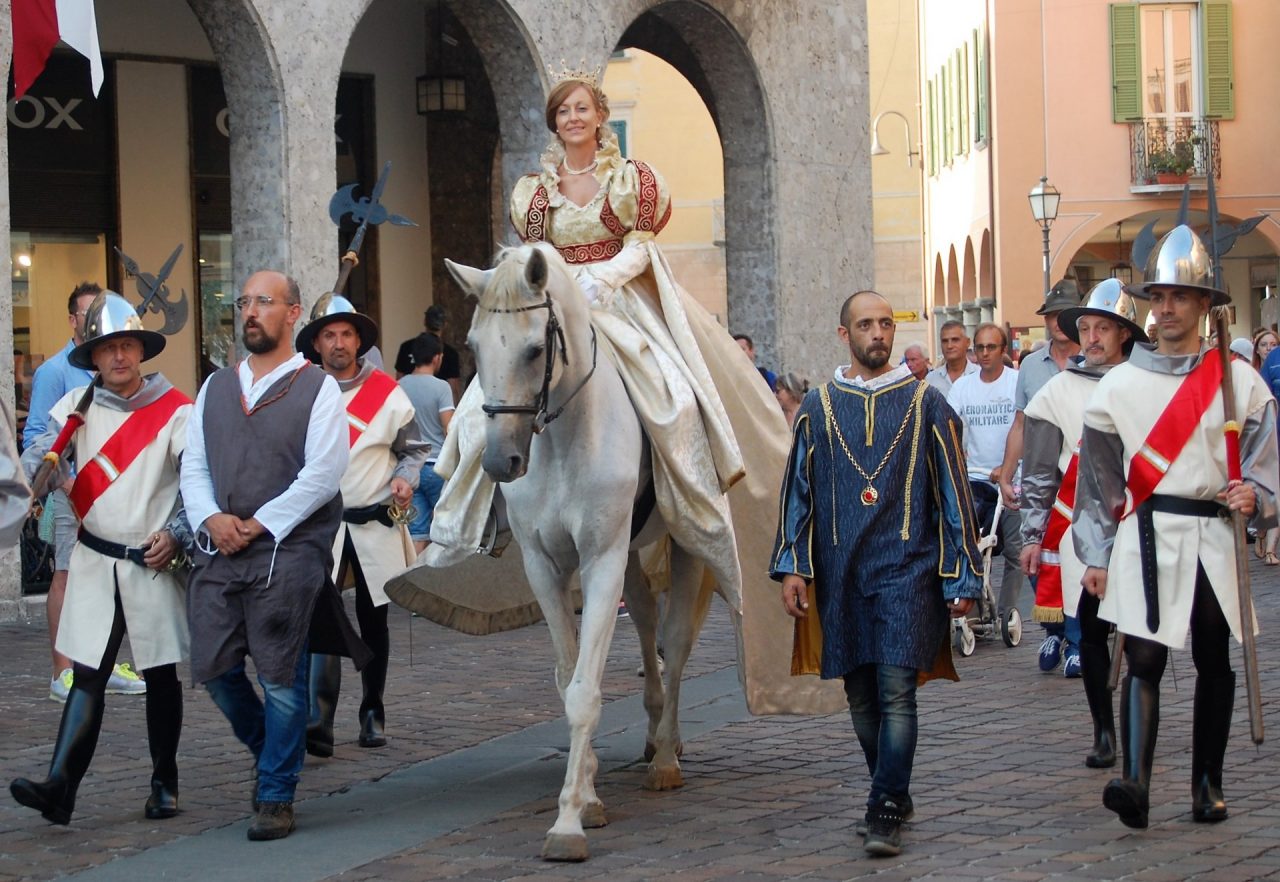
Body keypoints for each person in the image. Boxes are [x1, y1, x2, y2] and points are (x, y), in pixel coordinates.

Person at [427, 68, 832, 715]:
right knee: (491, 395)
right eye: (564, 112)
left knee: (672, 389)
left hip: (618, 304)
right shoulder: (535, 193)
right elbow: (531, 265)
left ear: (598, 116)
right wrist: (552, 288)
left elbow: (642, 249)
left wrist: (604, 278)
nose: (574, 119)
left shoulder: (628, 181)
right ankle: (462, 519)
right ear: (555, 123)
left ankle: (689, 486)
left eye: (582, 109)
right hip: (557, 309)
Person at [1074, 224, 1277, 829]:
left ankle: (1207, 785)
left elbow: (1268, 461)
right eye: (1157, 298)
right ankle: (1133, 781)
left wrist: (1256, 495)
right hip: (1145, 533)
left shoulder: (1240, 381)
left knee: (1215, 659)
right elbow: (1100, 484)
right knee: (1142, 658)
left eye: (1179, 298)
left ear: (1203, 305)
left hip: (1213, 534)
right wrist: (1095, 555)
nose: (1165, 309)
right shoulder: (1117, 386)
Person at [772, 290, 982, 857]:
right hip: (841, 572)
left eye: (886, 323)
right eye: (866, 324)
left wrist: (960, 574)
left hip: (906, 569)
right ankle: (889, 786)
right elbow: (798, 491)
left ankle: (885, 806)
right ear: (845, 334)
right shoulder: (817, 406)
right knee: (860, 696)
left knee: (896, 693)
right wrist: (794, 564)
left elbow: (954, 491)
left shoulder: (927, 403)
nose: (878, 334)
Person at [10, 292, 192, 825]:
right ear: (92, 355)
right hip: (93, 559)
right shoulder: (74, 411)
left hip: (149, 559)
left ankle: (165, 783)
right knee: (88, 674)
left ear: (141, 350)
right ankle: (60, 787)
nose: (119, 357)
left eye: (128, 346)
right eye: (108, 348)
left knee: (160, 675)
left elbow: (196, 483)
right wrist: (43, 475)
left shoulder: (177, 410)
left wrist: (177, 534)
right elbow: (35, 458)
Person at [181, 270, 349, 841]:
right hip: (222, 547)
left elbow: (322, 475)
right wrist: (211, 517)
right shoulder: (214, 388)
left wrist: (260, 523)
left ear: (293, 313)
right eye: (244, 302)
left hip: (289, 551)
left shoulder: (317, 388)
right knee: (215, 664)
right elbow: (195, 465)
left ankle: (276, 791)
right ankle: (270, 747)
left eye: (264, 302)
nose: (250, 311)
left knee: (280, 675)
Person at [1019, 279, 1148, 773]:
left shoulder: (1147, 383)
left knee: (1139, 635)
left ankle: (1136, 728)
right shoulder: (1057, 391)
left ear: (1124, 334)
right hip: (1082, 530)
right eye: (1086, 328)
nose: (1091, 337)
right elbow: (1038, 470)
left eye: (1103, 328)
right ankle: (1104, 730)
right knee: (1091, 633)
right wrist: (1032, 535)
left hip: (1140, 523)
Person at [296, 295, 425, 756]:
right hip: (321, 527)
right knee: (320, 618)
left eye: (346, 334)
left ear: (358, 341)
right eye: (329, 334)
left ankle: (373, 709)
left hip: (374, 522)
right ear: (316, 342)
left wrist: (404, 479)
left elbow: (412, 449)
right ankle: (320, 720)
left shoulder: (388, 392)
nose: (338, 343)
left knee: (375, 620)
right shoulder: (303, 390)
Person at [24, 282, 146, 701]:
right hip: (70, 488)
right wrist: (67, 480)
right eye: (89, 312)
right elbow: (39, 437)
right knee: (66, 574)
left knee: (110, 577)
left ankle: (103, 663)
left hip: (113, 489)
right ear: (75, 320)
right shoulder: (55, 371)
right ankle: (63, 671)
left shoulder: (117, 371)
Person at [998, 279, 1084, 675]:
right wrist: (1006, 473)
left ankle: (1079, 637)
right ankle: (1054, 627)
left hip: (1080, 473)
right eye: (1052, 315)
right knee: (1032, 552)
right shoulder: (1031, 366)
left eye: (1066, 314)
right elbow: (1020, 424)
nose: (1058, 322)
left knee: (1077, 555)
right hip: (1038, 472)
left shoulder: (1094, 360)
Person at [947, 323, 1025, 627]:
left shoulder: (1016, 383)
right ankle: (974, 603)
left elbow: (1026, 428)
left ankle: (1006, 610)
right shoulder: (963, 387)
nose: (984, 353)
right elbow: (950, 425)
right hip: (976, 480)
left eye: (991, 347)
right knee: (975, 545)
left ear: (1003, 350)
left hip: (1012, 481)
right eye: (979, 347)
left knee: (1015, 553)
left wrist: (1007, 467)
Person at [399, 333, 454, 554]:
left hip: (409, 469)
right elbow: (448, 428)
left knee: (417, 533)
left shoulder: (398, 386)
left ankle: (414, 581)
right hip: (437, 465)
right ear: (437, 358)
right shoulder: (441, 388)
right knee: (446, 532)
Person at [394, 305, 461, 401]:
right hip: (439, 407)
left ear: (424, 321)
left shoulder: (406, 347)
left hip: (409, 405)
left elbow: (399, 380)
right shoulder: (450, 353)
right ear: (445, 324)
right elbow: (453, 389)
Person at [924, 320, 977, 395]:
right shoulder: (931, 379)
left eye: (955, 340)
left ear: (967, 342)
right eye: (945, 341)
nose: (949, 346)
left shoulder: (980, 375)